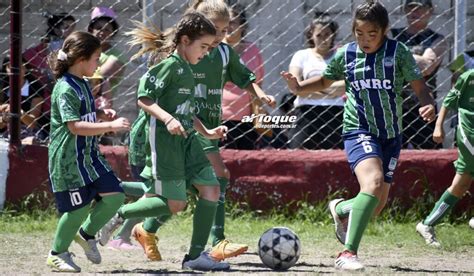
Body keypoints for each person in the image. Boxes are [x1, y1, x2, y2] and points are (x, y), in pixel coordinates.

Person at [281, 1, 435, 270]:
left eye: (371, 34)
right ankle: (347, 253)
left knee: (376, 205)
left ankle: (340, 208)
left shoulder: (397, 53)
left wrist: (427, 103)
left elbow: (419, 86)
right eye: (359, 33)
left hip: (390, 134)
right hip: (358, 129)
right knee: (373, 183)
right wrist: (299, 88)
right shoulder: (348, 53)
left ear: (385, 30)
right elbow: (326, 80)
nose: (364, 40)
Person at [99, 12, 231, 271]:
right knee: (172, 201)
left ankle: (195, 257)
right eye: (203, 47)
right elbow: (144, 98)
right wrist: (168, 120)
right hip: (164, 141)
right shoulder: (168, 66)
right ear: (184, 40)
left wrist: (207, 132)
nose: (206, 53)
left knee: (211, 189)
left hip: (188, 141)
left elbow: (186, 110)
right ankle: (118, 212)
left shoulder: (189, 69)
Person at [187, 0, 275, 261]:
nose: (222, 35)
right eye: (216, 28)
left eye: (225, 30)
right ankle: (216, 241)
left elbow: (245, 77)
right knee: (215, 176)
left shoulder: (224, 53)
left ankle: (139, 226)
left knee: (176, 193)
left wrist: (260, 95)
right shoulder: (186, 53)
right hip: (186, 125)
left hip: (209, 128)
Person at [46, 31, 129, 272]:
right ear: (81, 58)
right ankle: (57, 253)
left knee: (115, 195)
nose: (99, 63)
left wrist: (101, 115)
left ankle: (86, 233)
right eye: (96, 58)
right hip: (69, 160)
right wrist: (110, 126)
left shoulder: (82, 83)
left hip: (89, 156)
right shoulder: (65, 88)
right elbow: (74, 126)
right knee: (77, 208)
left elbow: (83, 116)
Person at [416, 69, 474, 246]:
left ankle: (427, 224)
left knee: (460, 184)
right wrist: (438, 126)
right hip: (469, 135)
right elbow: (448, 102)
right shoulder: (468, 77)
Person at [391, 0, 447, 149]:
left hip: (424, 107)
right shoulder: (393, 34)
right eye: (410, 8)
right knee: (389, 155)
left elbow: (426, 67)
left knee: (430, 156)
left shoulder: (437, 39)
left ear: (429, 11)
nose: (413, 12)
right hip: (393, 106)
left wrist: (397, 56)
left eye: (419, 9)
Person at [287, 15, 346, 150]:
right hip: (305, 112)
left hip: (335, 113)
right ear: (311, 35)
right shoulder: (301, 55)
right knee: (299, 153)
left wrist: (307, 88)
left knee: (335, 156)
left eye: (327, 34)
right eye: (319, 35)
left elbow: (347, 85)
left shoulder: (341, 55)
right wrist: (331, 89)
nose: (323, 39)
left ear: (333, 35)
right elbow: (294, 87)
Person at [220, 4, 264, 150]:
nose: (228, 26)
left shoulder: (253, 50)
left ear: (243, 26)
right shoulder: (214, 50)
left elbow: (258, 84)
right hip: (218, 118)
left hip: (247, 120)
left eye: (233, 22)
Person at [0, 56, 47, 142]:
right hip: (6, 130)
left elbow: (33, 123)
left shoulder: (35, 87)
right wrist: (4, 119)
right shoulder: (2, 88)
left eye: (20, 67)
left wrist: (19, 112)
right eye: (10, 67)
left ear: (25, 69)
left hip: (29, 131)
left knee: (31, 141)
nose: (16, 71)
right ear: (6, 70)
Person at [88, 7, 126, 97]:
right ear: (91, 30)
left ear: (113, 33)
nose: (102, 32)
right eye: (98, 28)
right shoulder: (85, 51)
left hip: (100, 104)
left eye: (107, 29)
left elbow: (96, 81)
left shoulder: (117, 56)